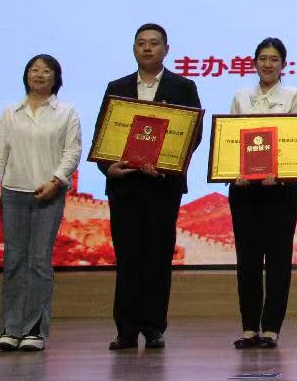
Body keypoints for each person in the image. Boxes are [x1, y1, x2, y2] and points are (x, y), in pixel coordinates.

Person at [95, 23, 203, 350]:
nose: (147, 48)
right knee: (128, 259)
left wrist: (168, 161)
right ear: (134, 49)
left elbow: (193, 133)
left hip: (162, 187)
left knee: (157, 259)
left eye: (154, 43)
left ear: (166, 50)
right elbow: (103, 134)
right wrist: (108, 168)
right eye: (141, 43)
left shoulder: (183, 86)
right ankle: (126, 330)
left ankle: (154, 327)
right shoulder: (117, 87)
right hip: (125, 187)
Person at [0, 54, 82, 353]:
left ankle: (34, 330)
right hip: (14, 193)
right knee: (14, 260)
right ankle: (10, 329)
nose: (39, 75)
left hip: (49, 194)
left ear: (56, 77)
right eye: (34, 70)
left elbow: (72, 152)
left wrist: (56, 181)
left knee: (39, 261)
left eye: (46, 71)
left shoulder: (66, 112)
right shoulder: (10, 112)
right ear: (26, 75)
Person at [228, 37, 297, 349]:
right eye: (262, 58)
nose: (268, 64)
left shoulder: (292, 96)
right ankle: (249, 328)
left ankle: (271, 328)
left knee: (277, 262)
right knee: (246, 262)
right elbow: (230, 142)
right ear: (254, 62)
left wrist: (282, 174)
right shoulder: (240, 97)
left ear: (283, 64)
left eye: (274, 59)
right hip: (244, 191)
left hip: (280, 192)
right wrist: (234, 172)